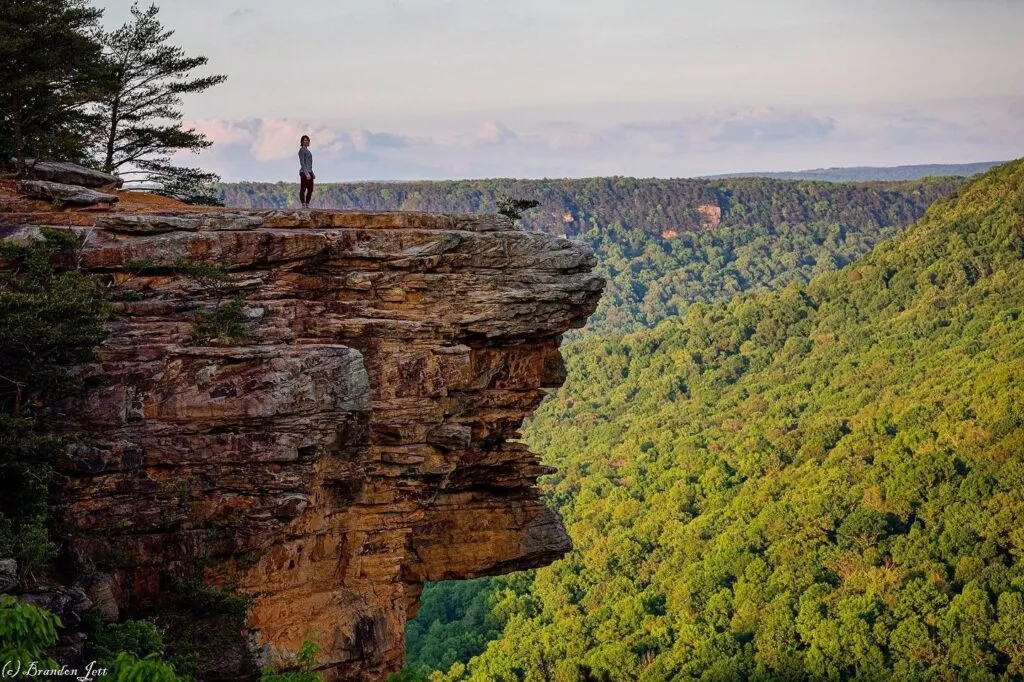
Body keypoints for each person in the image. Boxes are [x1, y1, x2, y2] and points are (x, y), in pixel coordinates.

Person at [298, 135, 314, 209]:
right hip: (304, 172)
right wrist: (306, 173)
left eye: (307, 140)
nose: (306, 141)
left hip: (309, 171)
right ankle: (303, 204)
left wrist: (312, 173)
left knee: (310, 189)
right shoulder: (301, 150)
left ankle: (307, 204)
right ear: (302, 142)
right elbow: (302, 163)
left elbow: (309, 163)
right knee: (303, 189)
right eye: (304, 140)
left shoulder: (308, 151)